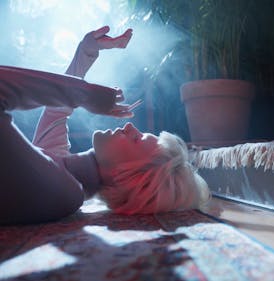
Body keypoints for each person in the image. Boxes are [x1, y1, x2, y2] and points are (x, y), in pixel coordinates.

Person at [0, 26, 210, 225]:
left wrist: (84, 95)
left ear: (129, 177)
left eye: (138, 139)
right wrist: (85, 53)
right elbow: (57, 111)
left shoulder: (63, 191)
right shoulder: (64, 172)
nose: (130, 128)